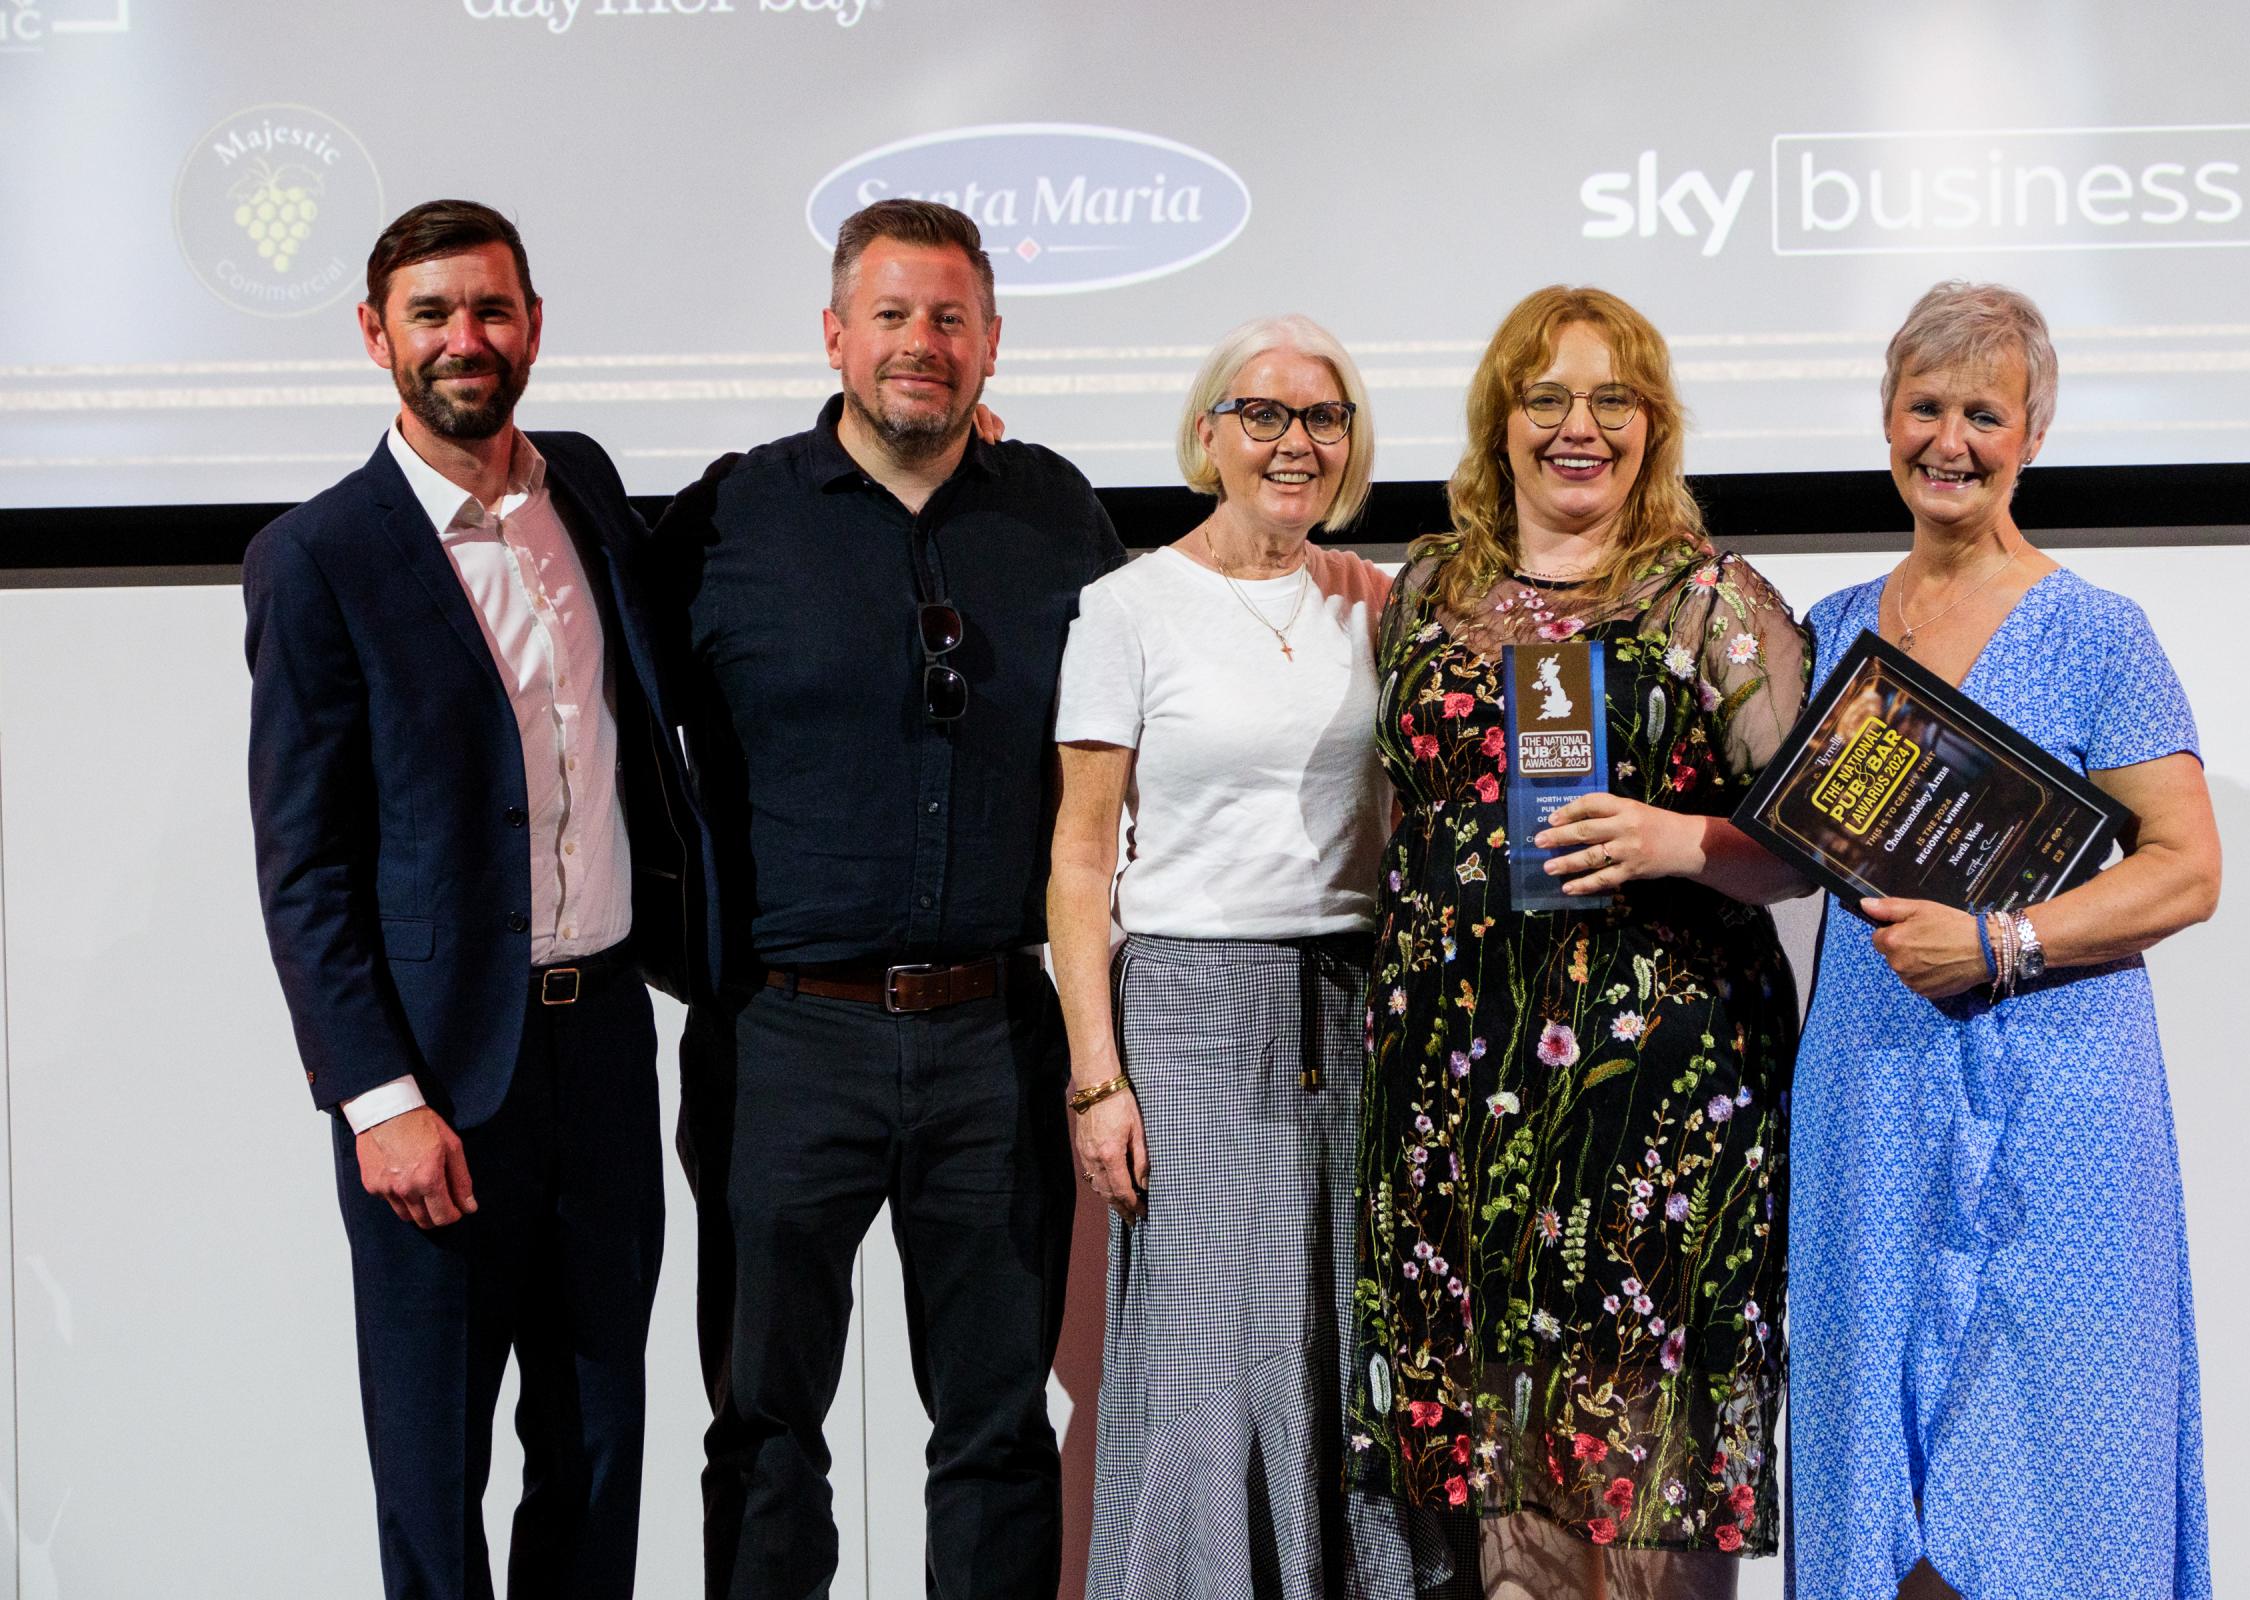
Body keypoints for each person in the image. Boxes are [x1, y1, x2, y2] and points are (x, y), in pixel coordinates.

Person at [645, 197, 1124, 1600]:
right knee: (767, 1426)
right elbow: (610, 740)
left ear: (991, 343)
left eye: (952, 319)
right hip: (781, 1040)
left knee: (994, 1428)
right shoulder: (731, 518)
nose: (924, 343)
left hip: (993, 1037)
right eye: (896, 315)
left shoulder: (1057, 515)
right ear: (836, 332)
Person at [244, 199, 705, 1600]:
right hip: (439, 1081)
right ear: (376, 333)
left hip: (604, 1053)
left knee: (599, 1447)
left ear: (535, 327)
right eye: (433, 314)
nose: (466, 340)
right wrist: (380, 1100)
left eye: (492, 311)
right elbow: (304, 864)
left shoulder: (590, 491)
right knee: (436, 1476)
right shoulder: (318, 559)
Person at [1345, 285, 1813, 1600]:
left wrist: (1680, 843)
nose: (1579, 426)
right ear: (1499, 421)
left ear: (1652, 428)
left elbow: (1820, 847)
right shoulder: (1425, 588)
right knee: (1489, 1494)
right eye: (1547, 395)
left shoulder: (1711, 602)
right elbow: (1405, 814)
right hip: (1449, 1090)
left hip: (1647, 1094)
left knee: (1633, 1467)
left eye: (1614, 398)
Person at [1785, 281, 2219, 1600]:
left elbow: (2187, 867)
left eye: (1986, 412)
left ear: (2031, 433)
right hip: (1868, 1083)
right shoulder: (1833, 631)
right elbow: (1772, 843)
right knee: (1874, 1463)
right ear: (1885, 416)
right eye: (1925, 406)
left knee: (2058, 1465)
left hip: (2060, 1096)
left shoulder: (2099, 633)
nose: (1950, 440)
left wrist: (2007, 941)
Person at [1049, 315, 1393, 1597]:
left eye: (1323, 419)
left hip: (1355, 1008)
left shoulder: (1373, 603)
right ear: (1209, 434)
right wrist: (1098, 1075)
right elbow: (1081, 859)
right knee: (1201, 1364)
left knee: (1347, 1347)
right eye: (1265, 414)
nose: (1294, 443)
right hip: (1191, 1013)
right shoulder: (1128, 607)